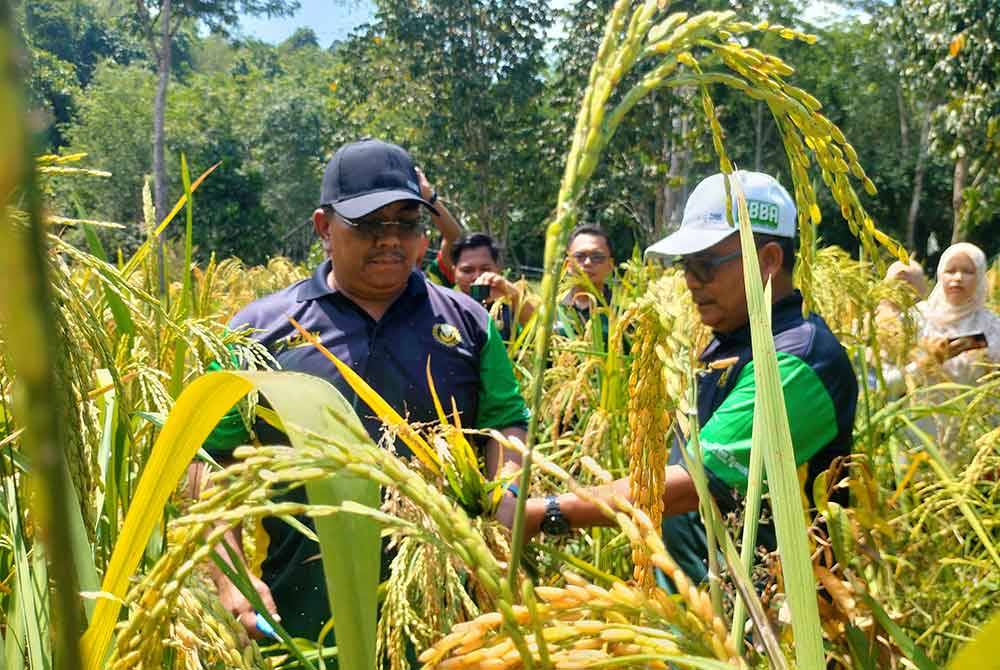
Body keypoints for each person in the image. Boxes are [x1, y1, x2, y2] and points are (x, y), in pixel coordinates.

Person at [195, 138, 530, 641]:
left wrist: (505, 501)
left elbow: (506, 422)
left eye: (406, 223)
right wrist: (230, 575)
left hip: (446, 607)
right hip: (303, 612)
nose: (391, 239)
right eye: (370, 224)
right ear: (324, 228)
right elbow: (212, 460)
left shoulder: (468, 323)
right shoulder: (256, 332)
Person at [500, 171, 858, 584]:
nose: (689, 282)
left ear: (769, 260)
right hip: (701, 609)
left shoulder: (797, 361)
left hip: (768, 624)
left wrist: (548, 512)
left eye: (705, 266)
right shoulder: (732, 342)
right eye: (686, 266)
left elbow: (694, 483)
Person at [911, 243, 1000, 384]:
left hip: (975, 405)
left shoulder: (992, 326)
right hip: (923, 403)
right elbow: (891, 381)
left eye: (968, 272)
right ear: (940, 275)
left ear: (980, 278)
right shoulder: (918, 317)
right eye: (950, 271)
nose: (958, 278)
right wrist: (930, 359)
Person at [450, 232, 536, 340]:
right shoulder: (446, 309)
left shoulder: (511, 308)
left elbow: (542, 333)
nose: (477, 277)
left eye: (485, 269)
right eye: (467, 270)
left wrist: (515, 297)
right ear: (454, 273)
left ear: (498, 269)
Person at [555, 225, 616, 338]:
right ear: (568, 265)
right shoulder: (554, 310)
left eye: (597, 257)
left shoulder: (622, 315)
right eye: (579, 256)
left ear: (610, 265)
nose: (587, 262)